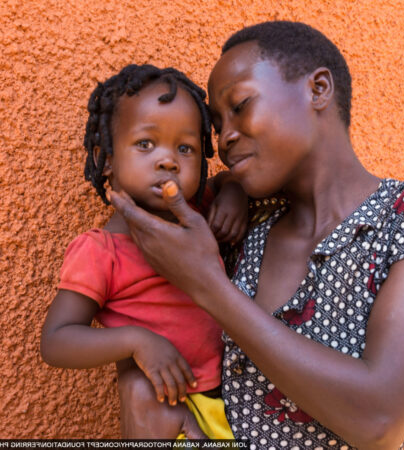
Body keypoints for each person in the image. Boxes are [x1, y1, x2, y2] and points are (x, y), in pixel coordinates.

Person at [109, 22, 404, 449]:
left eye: (240, 105)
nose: (225, 139)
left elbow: (381, 422)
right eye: (217, 126)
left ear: (318, 89)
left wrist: (207, 286)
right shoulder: (243, 225)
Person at [40, 64, 248, 439]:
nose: (168, 161)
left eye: (185, 148)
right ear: (106, 160)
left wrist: (233, 193)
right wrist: (136, 341)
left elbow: (227, 179)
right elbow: (56, 340)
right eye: (145, 144)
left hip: (236, 400)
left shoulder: (199, 211)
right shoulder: (101, 251)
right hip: (170, 407)